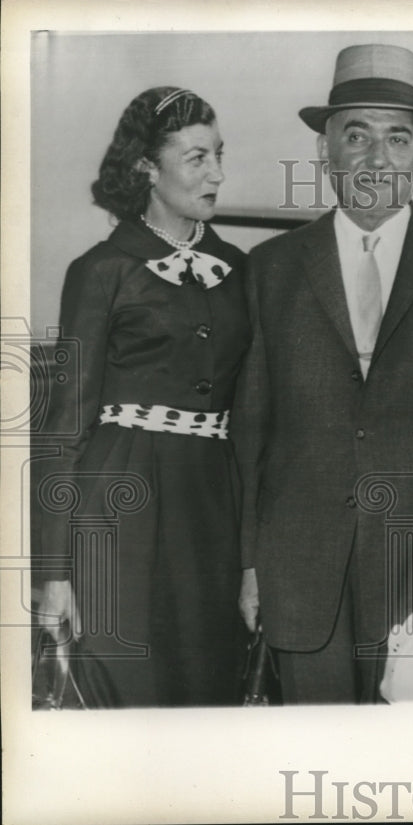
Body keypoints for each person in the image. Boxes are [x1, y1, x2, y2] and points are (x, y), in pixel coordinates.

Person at [232, 44, 413, 703]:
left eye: (397, 138)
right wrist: (249, 561)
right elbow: (250, 427)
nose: (377, 159)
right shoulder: (271, 269)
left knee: (408, 767)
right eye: (357, 135)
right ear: (326, 150)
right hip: (298, 572)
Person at [35, 87, 249, 707]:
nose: (217, 173)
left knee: (207, 687)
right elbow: (64, 427)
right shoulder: (101, 270)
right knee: (124, 688)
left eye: (218, 155)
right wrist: (53, 572)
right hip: (117, 505)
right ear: (147, 170)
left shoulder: (239, 270)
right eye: (196, 158)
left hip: (211, 507)